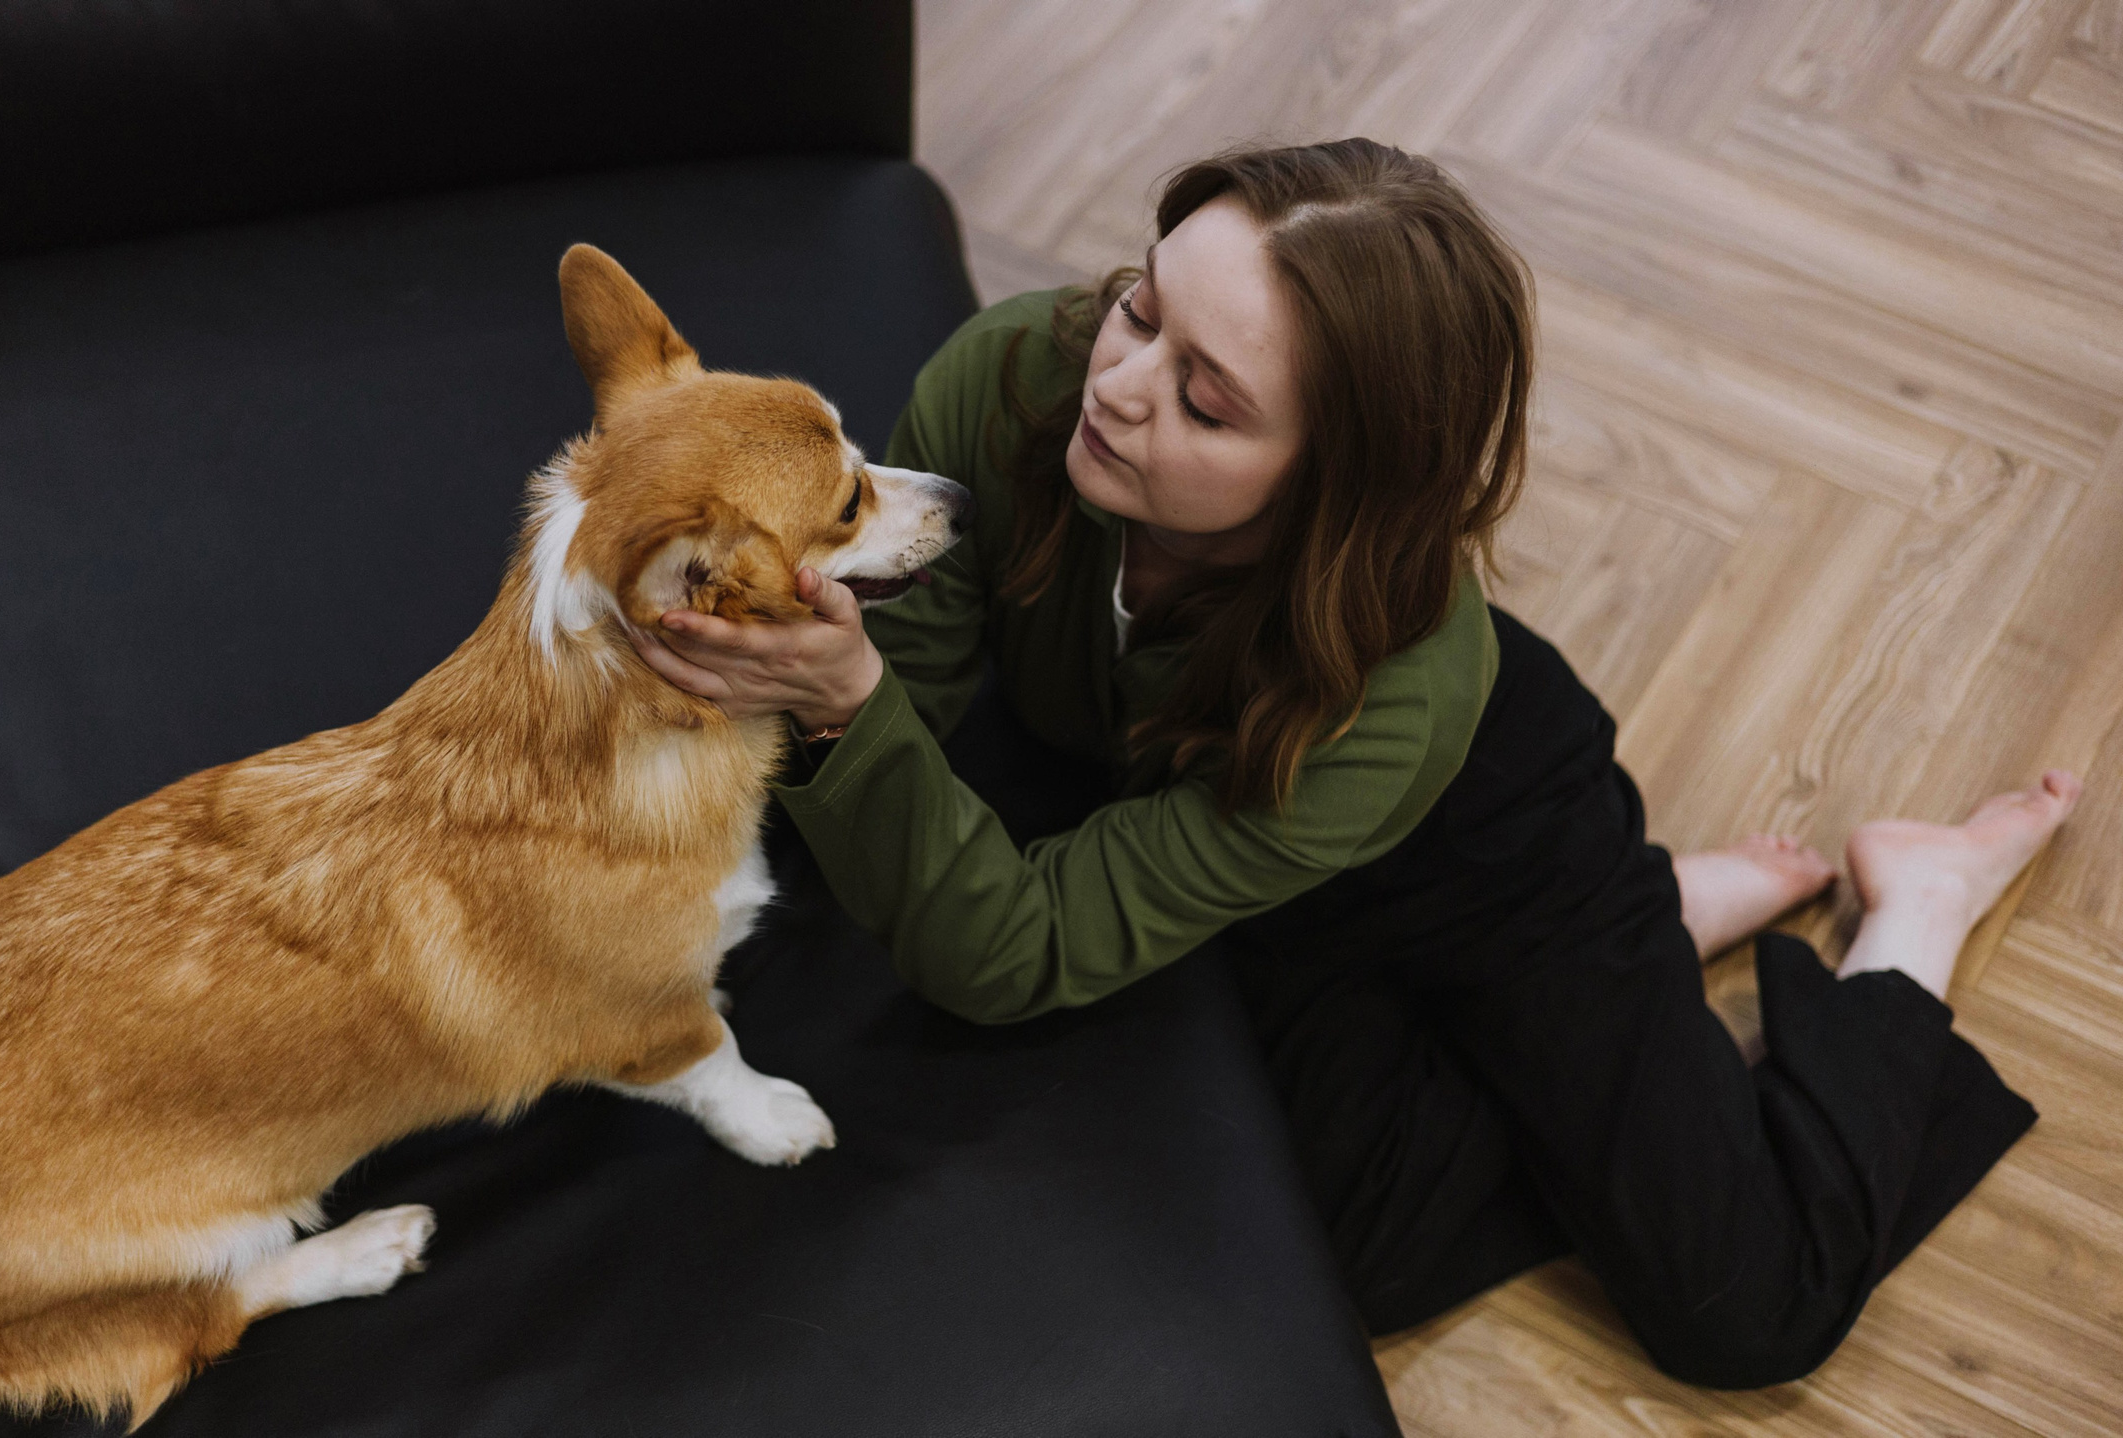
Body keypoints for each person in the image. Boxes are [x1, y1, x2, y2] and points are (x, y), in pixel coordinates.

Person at [626, 139, 2078, 1389]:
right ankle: (1650, 952)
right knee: (1331, 1249)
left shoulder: (1391, 690)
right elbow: (920, 721)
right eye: (1140, 308)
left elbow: (1006, 942)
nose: (1120, 385)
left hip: (1479, 847)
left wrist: (844, 713)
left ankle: (1907, 911)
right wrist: (834, 688)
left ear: (1336, 489)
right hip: (1213, 822)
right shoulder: (1023, 376)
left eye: (1208, 401)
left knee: (1745, 1306)